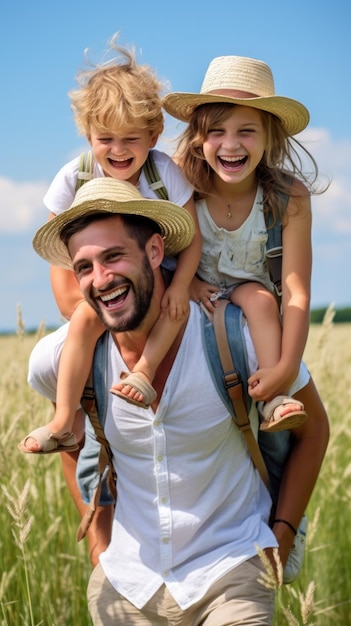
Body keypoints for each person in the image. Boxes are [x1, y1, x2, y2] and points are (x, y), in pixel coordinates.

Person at [27, 177, 329, 624]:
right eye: (85, 267)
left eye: (113, 257)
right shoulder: (58, 359)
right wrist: (99, 544)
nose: (101, 279)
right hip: (127, 583)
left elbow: (314, 431)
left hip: (233, 570)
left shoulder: (236, 337)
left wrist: (281, 537)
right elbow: (69, 436)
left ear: (153, 251)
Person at [18, 34, 202, 454]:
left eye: (130, 139)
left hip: (158, 275)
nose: (117, 151)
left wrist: (179, 286)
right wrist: (72, 304)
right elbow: (59, 249)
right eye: (106, 140)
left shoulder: (163, 173)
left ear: (153, 136)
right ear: (88, 136)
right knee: (81, 325)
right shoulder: (75, 176)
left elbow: (191, 239)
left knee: (176, 312)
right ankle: (66, 419)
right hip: (102, 286)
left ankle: (144, 372)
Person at [162, 55, 324, 432]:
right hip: (191, 290)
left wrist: (286, 368)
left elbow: (297, 292)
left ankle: (274, 399)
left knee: (263, 301)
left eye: (246, 131)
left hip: (252, 295)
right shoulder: (181, 181)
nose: (230, 145)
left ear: (270, 137)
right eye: (216, 131)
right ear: (199, 136)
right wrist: (188, 284)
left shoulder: (289, 197)